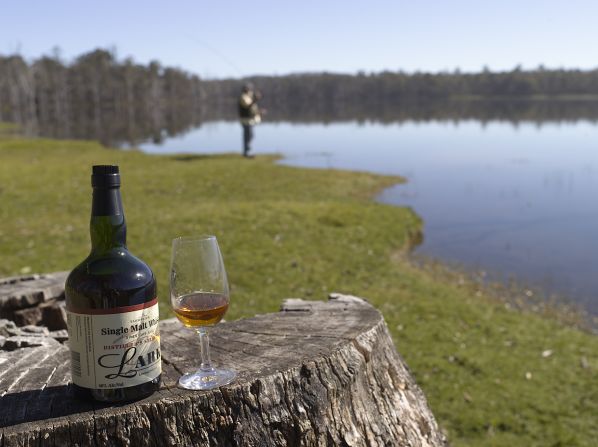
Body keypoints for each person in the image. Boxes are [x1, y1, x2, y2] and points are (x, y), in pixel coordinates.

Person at [238, 83, 262, 157]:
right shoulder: (243, 97)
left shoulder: (249, 97)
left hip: (250, 120)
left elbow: (252, 108)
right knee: (247, 136)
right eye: (247, 88)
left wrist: (259, 112)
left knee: (251, 135)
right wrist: (255, 99)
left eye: (249, 88)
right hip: (246, 120)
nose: (249, 90)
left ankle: (248, 151)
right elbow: (247, 106)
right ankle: (247, 152)